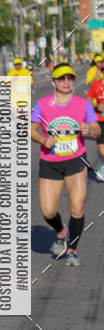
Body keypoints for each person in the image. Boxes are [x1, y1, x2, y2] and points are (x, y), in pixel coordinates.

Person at [30, 62, 100, 266]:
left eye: (70, 78)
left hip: (76, 160)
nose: (67, 82)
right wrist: (43, 140)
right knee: (48, 211)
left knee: (77, 207)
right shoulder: (43, 104)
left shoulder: (83, 104)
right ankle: (61, 230)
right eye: (62, 78)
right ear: (53, 82)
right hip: (50, 163)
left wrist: (89, 130)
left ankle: (72, 249)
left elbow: (96, 129)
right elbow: (32, 130)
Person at [86, 55, 104, 180]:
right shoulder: (97, 85)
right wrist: (97, 106)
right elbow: (89, 98)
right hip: (100, 120)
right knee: (102, 150)